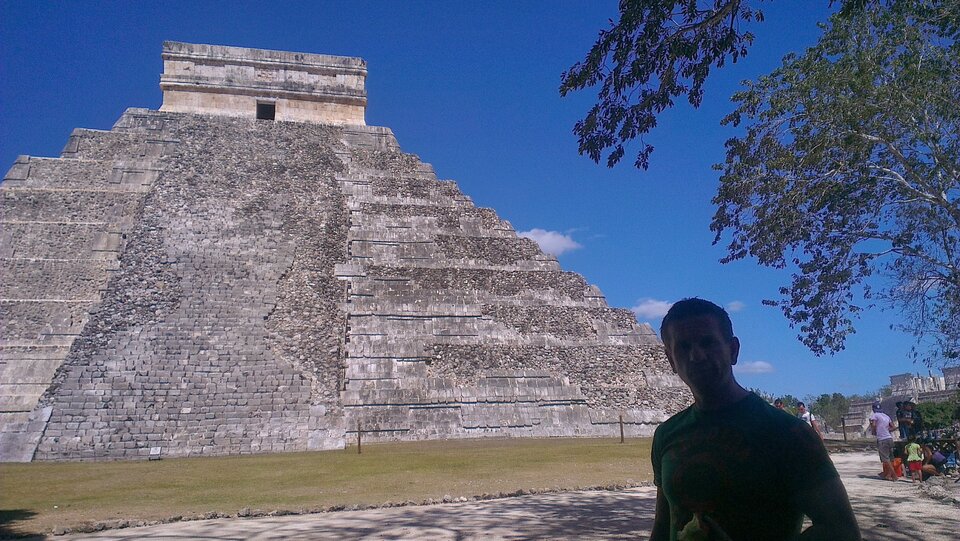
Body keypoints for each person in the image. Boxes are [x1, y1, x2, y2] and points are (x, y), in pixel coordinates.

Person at [650, 298, 861, 541]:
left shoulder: (787, 433)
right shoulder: (667, 434)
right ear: (670, 360)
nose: (697, 356)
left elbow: (841, 530)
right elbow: (663, 525)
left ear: (733, 350)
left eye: (707, 342)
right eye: (683, 347)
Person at [868, 401, 896, 481]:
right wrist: (886, 430)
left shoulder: (875, 415)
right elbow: (893, 427)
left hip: (882, 439)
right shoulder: (886, 416)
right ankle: (889, 474)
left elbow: (873, 425)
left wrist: (874, 431)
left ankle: (894, 475)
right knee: (891, 458)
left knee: (885, 459)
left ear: (873, 409)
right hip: (889, 438)